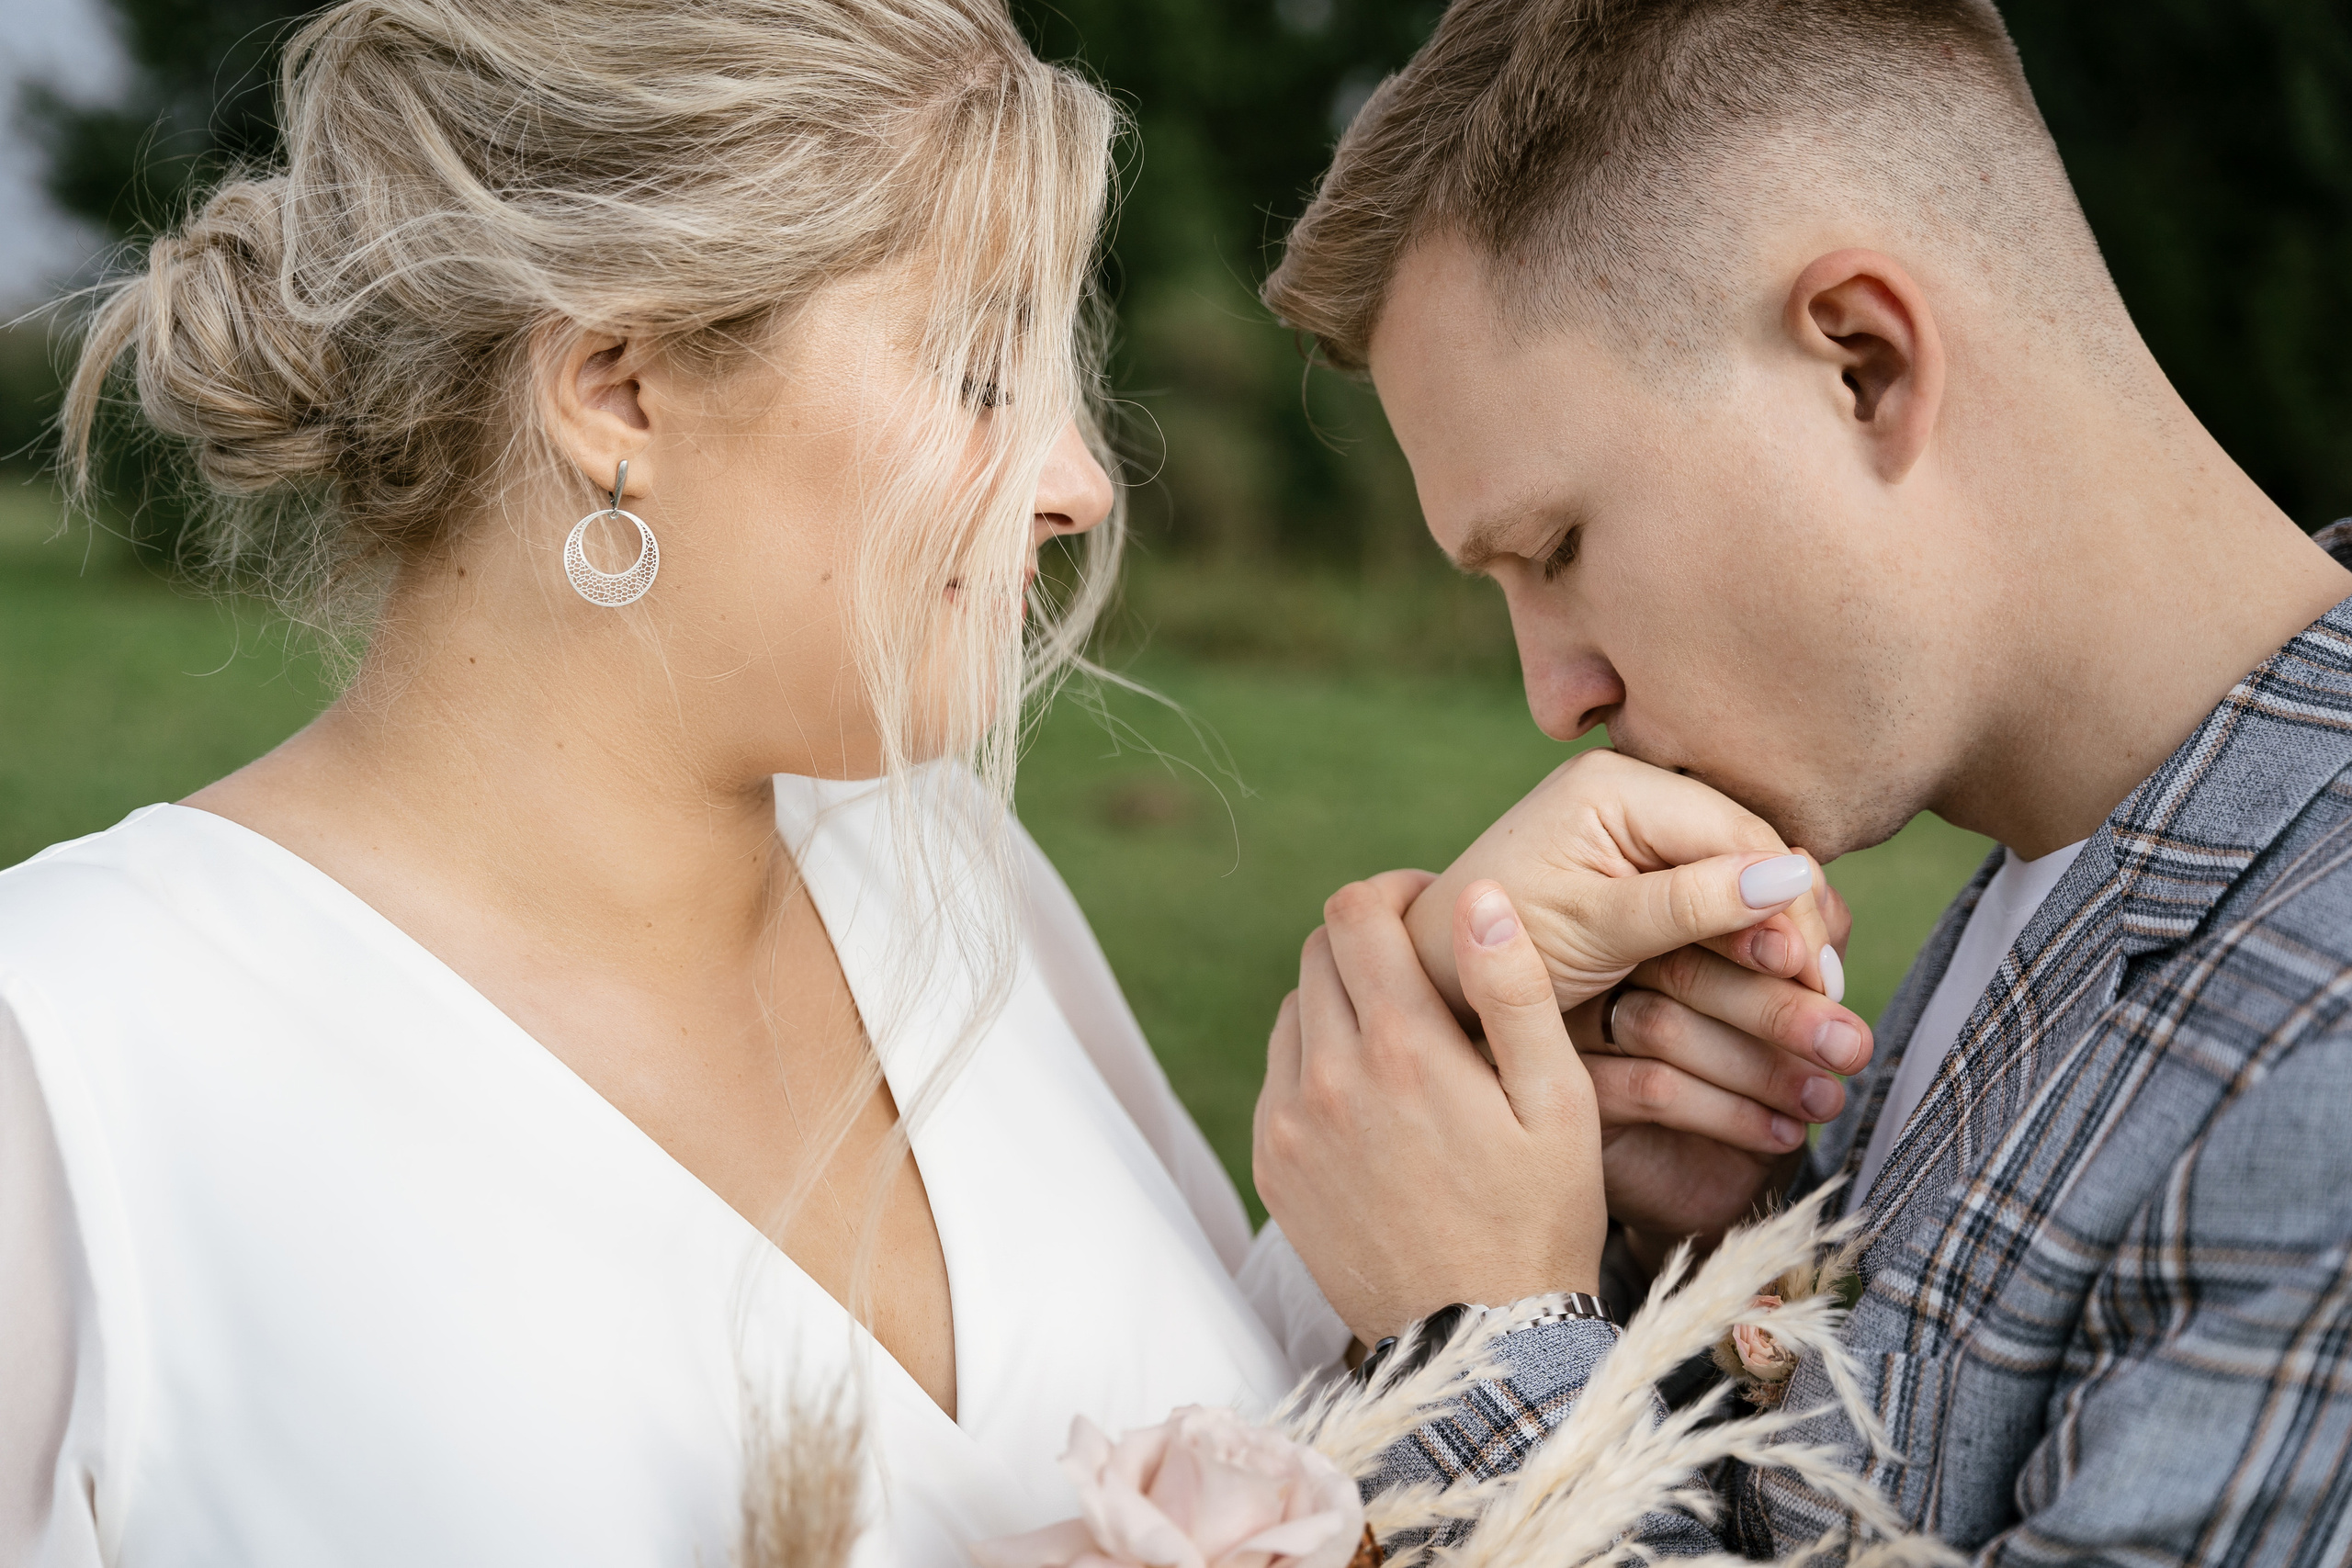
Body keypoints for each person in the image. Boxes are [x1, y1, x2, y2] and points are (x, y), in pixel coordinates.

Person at [0, 3, 1860, 1564]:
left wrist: (1497, 1058)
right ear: (620, 386)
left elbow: (1226, 1420)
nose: (1079, 480)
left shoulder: (936, 862)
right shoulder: (70, 1058)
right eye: (979, 369)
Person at [1251, 0, 2352, 1562]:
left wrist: (1479, 1339)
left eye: (1559, 549)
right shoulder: (2082, 866)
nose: (1555, 696)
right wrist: (1707, 1253)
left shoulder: (2323, 1052)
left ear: (1862, 362)